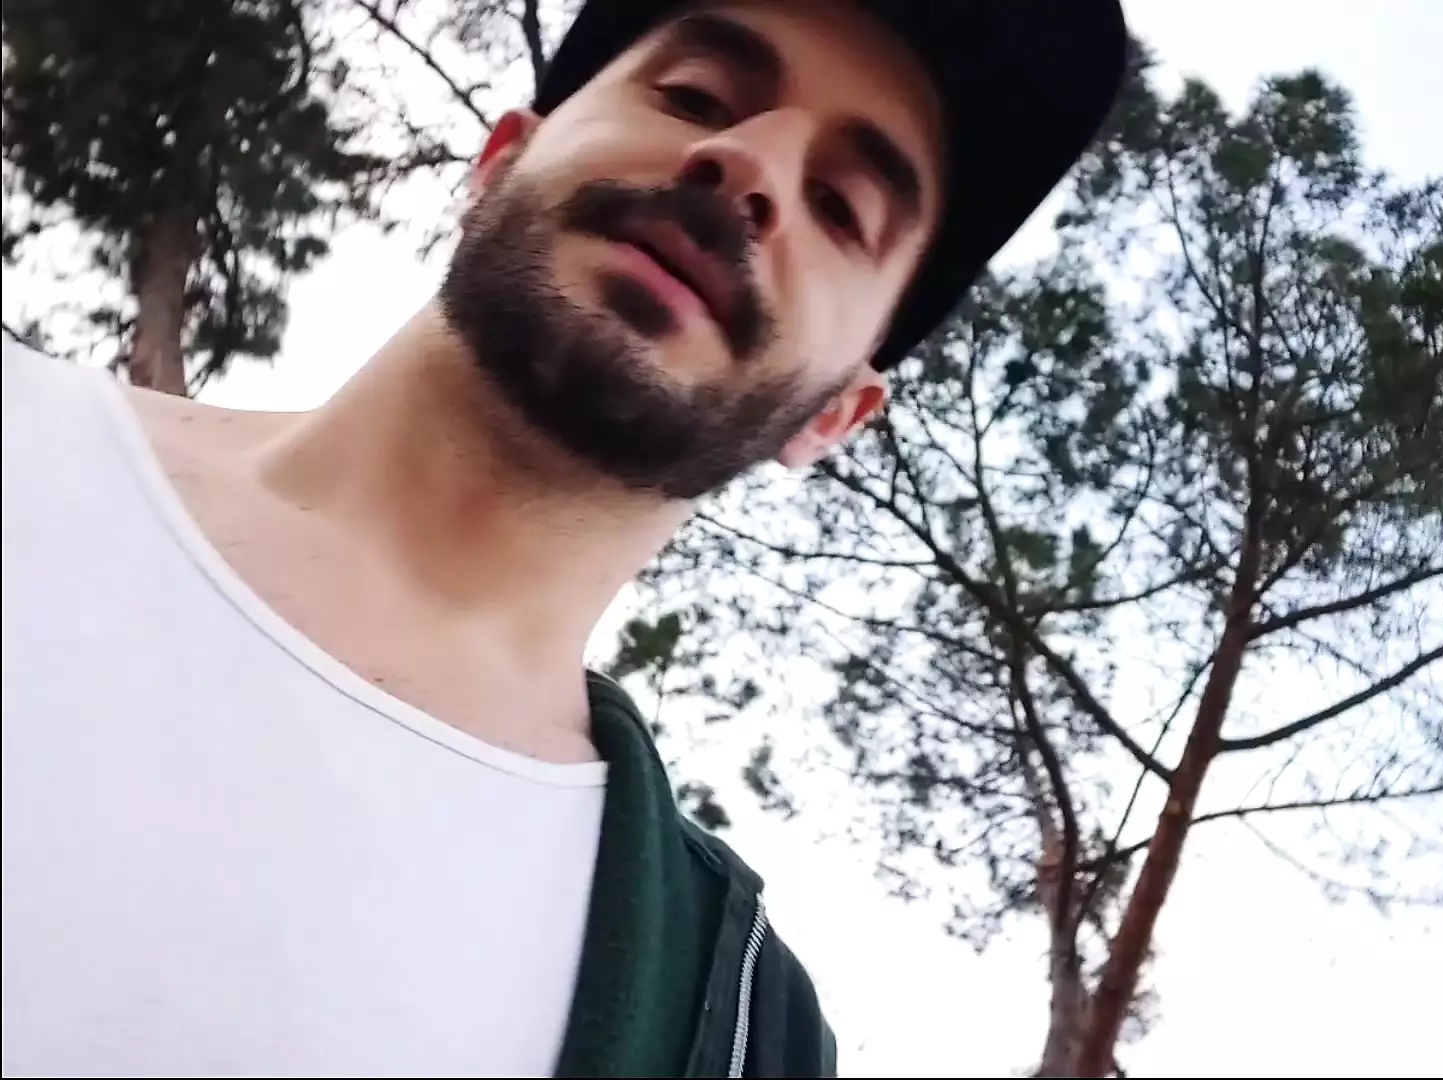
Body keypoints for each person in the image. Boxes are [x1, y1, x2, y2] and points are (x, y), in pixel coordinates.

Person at [0, 0, 1129, 1075]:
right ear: (501, 160)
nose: (748, 164)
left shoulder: (739, 1026)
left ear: (835, 414)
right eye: (695, 97)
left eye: (840, 208)